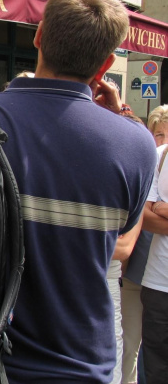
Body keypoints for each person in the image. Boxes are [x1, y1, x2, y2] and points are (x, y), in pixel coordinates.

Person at [0, 0, 155, 384]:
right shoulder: (135, 144)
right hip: (78, 363)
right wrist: (115, 121)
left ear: (37, 36)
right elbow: (121, 244)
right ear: (105, 64)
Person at [120, 105, 167, 384]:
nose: (163, 142)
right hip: (142, 273)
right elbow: (144, 217)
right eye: (158, 135)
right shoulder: (155, 160)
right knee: (132, 344)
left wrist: (161, 209)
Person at [137, 128, 168, 383]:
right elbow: (144, 217)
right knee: (155, 369)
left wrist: (163, 208)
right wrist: (156, 209)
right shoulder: (161, 154)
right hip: (159, 283)